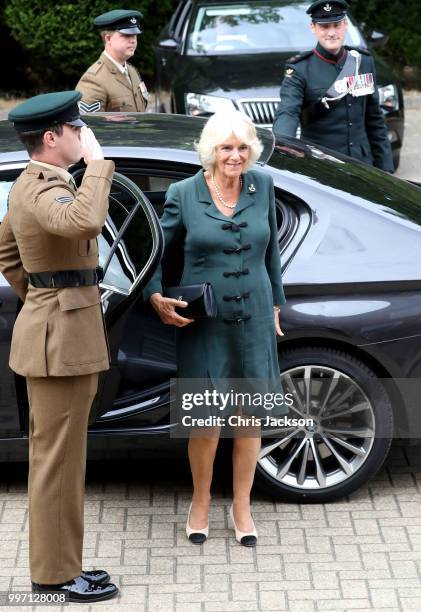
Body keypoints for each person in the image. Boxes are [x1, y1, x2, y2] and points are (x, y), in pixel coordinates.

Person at [143, 110, 287, 547]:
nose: (235, 155)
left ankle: (242, 506)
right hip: (204, 320)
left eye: (243, 147)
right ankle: (201, 500)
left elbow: (271, 252)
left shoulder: (263, 187)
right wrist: (154, 294)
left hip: (255, 315)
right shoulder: (184, 193)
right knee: (206, 419)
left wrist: (277, 303)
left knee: (248, 417)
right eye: (226, 147)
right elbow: (156, 249)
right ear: (210, 151)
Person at [0, 91, 118, 603]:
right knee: (57, 464)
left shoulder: (34, 185)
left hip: (56, 335)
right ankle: (51, 578)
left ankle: (62, 566)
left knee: (62, 460)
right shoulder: (44, 188)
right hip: (60, 343)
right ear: (52, 138)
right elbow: (83, 223)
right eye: (75, 129)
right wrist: (98, 164)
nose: (81, 135)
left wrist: (41, 296)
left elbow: (6, 252)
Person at [272, 0, 394, 172]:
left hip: (363, 165)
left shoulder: (363, 62)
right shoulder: (299, 69)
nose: (331, 33)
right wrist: (282, 144)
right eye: (324, 26)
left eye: (336, 25)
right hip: (322, 166)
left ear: (345, 25)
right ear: (313, 27)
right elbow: (288, 112)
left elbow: (375, 120)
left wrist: (386, 168)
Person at [76, 9, 148, 113]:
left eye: (135, 35)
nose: (133, 40)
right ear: (108, 39)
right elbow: (90, 125)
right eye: (126, 35)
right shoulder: (94, 80)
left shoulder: (132, 72)